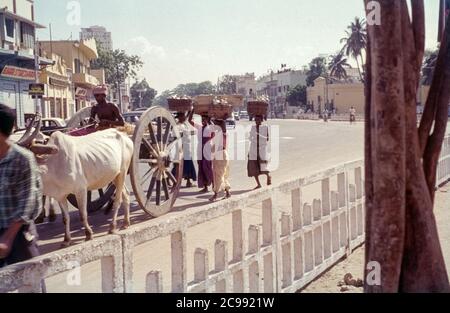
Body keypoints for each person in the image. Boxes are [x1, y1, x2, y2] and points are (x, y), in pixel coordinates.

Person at [0, 104, 42, 268]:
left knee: (30, 280)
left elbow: (28, 203)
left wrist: (7, 238)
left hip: (19, 235)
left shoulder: (23, 159)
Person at [189, 112, 214, 193]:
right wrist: (192, 111)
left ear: (208, 119)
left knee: (208, 168)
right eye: (202, 119)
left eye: (205, 118)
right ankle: (205, 187)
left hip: (207, 149)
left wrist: (209, 120)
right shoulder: (199, 127)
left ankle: (214, 186)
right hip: (200, 149)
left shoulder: (210, 127)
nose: (203, 120)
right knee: (201, 168)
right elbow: (190, 121)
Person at [173, 111, 197, 188]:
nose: (184, 118)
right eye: (182, 116)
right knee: (181, 165)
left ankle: (188, 182)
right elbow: (178, 136)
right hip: (182, 148)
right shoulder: (178, 126)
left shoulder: (184, 124)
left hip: (187, 147)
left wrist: (192, 111)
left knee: (187, 165)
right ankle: (172, 179)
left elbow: (188, 133)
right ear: (180, 117)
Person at [209, 118, 231, 202]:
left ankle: (216, 194)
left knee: (219, 176)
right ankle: (228, 192)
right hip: (218, 156)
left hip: (221, 156)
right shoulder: (218, 133)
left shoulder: (223, 133)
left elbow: (221, 145)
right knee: (222, 175)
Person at [248, 115, 272, 189]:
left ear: (261, 120)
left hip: (262, 149)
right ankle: (258, 184)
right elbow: (250, 137)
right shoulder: (253, 127)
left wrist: (259, 135)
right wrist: (252, 137)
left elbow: (267, 138)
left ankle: (268, 176)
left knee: (263, 166)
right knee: (253, 167)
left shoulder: (265, 127)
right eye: (255, 120)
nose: (256, 121)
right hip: (253, 149)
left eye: (258, 120)